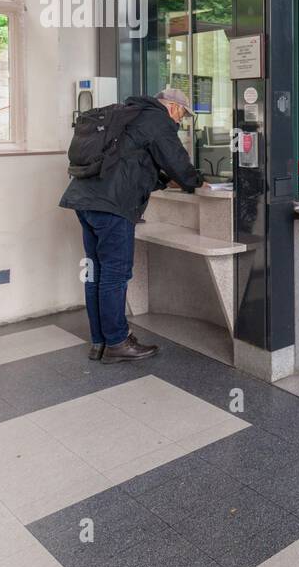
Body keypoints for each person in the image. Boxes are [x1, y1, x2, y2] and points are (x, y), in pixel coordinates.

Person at [60, 88, 203, 363]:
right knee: (115, 274)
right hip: (112, 206)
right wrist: (195, 181)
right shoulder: (158, 120)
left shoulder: (129, 113)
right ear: (173, 107)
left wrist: (163, 180)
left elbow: (131, 164)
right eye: (182, 115)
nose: (180, 122)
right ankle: (117, 342)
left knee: (96, 272)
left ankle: (100, 341)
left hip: (85, 201)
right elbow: (176, 162)